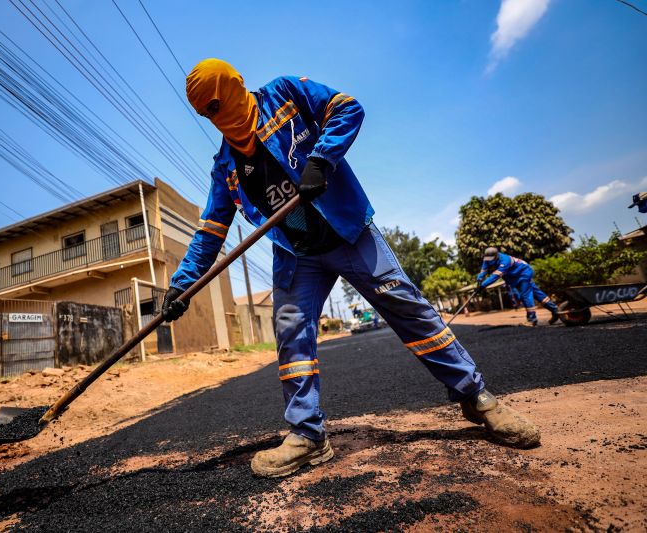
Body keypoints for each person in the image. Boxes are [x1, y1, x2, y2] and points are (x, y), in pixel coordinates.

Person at [162, 58, 540, 478]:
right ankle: (307, 435)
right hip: (298, 254)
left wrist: (321, 160)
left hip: (348, 232)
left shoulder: (286, 94)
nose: (215, 119)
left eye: (216, 105)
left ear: (234, 88)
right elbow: (210, 232)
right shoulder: (227, 167)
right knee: (291, 334)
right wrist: (181, 286)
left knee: (409, 309)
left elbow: (347, 107)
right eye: (205, 114)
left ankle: (478, 398)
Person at [476, 247, 560, 326]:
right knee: (536, 293)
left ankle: (532, 320)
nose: (489, 261)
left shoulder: (505, 260)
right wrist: (479, 279)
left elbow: (495, 276)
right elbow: (484, 269)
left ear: (497, 255)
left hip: (524, 274)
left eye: (491, 259)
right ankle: (555, 310)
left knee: (525, 295)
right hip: (515, 277)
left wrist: (483, 286)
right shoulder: (488, 258)